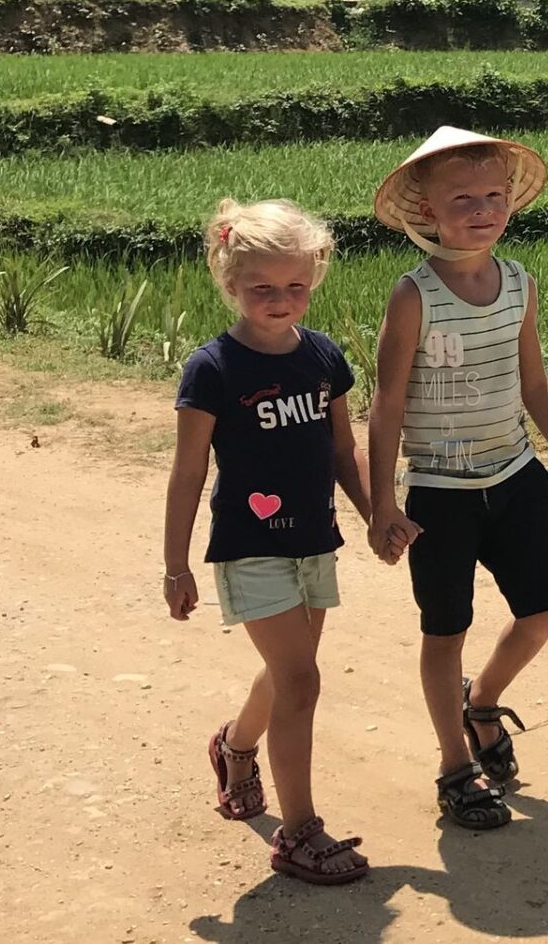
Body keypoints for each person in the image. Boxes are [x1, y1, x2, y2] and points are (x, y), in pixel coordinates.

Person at [368, 128, 548, 831]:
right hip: (440, 492)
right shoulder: (414, 296)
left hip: (515, 475)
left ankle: (482, 700)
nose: (481, 209)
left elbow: (535, 381)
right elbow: (385, 404)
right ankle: (453, 765)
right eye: (462, 198)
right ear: (428, 210)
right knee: (446, 630)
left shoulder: (521, 283)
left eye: (493, 195)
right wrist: (380, 504)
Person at [163, 199, 381, 886]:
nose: (281, 300)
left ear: (314, 279)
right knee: (300, 678)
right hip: (248, 542)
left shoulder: (322, 357)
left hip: (315, 539)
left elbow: (346, 449)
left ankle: (235, 745)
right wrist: (175, 562)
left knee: (288, 671)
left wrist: (378, 514)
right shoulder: (214, 368)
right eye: (263, 288)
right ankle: (298, 832)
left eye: (296, 286)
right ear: (230, 283)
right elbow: (190, 470)